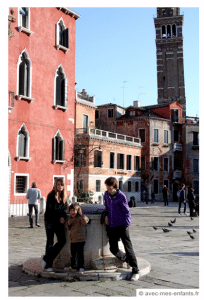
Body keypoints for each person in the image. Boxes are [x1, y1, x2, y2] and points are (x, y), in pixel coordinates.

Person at [104, 177, 140, 282]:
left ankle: (135, 270)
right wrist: (106, 215)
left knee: (128, 247)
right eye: (106, 186)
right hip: (112, 225)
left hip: (123, 225)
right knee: (113, 248)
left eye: (109, 187)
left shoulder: (121, 196)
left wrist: (127, 224)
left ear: (114, 186)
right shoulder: (106, 194)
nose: (107, 188)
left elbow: (127, 211)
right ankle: (127, 260)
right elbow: (106, 206)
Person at [41, 178, 68, 272]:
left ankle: (46, 257)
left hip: (58, 222)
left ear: (64, 186)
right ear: (55, 185)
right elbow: (50, 210)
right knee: (50, 242)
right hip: (50, 221)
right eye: (58, 184)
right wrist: (59, 218)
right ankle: (48, 265)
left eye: (61, 185)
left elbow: (65, 209)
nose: (60, 186)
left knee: (62, 240)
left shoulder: (64, 196)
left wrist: (63, 217)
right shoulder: (51, 195)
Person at [65, 203, 89, 274]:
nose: (72, 212)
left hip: (80, 239)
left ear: (78, 211)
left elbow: (85, 221)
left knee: (80, 254)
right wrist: (68, 224)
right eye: (71, 211)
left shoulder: (80, 217)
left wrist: (81, 214)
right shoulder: (70, 218)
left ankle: (81, 267)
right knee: (73, 254)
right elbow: (68, 227)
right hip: (73, 239)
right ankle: (73, 266)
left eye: (74, 210)